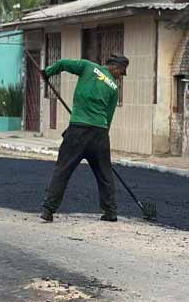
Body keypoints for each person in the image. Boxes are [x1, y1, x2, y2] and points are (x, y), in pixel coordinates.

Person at [39, 55, 130, 223]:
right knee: (105, 173)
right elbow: (108, 117)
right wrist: (102, 139)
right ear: (114, 66)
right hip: (100, 133)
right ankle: (110, 212)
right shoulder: (113, 89)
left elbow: (63, 63)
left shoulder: (88, 67)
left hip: (78, 131)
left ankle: (48, 210)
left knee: (63, 170)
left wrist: (48, 73)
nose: (121, 76)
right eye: (121, 72)